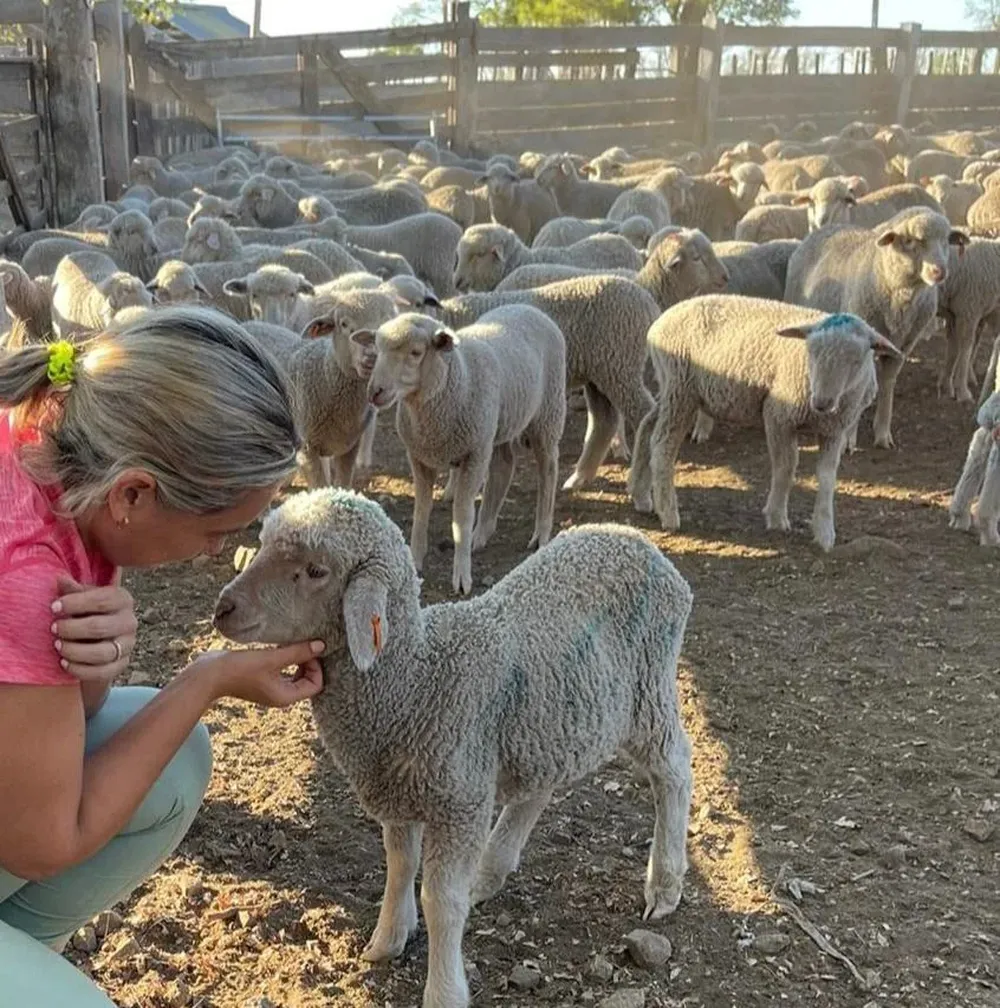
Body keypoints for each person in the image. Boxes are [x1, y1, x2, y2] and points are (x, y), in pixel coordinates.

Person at [0, 308, 326, 1007]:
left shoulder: (48, 438)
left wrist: (94, 661)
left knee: (175, 760)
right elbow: (45, 844)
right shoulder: (24, 573)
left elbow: (61, 722)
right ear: (135, 494)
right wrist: (205, 679)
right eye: (217, 533)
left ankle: (22, 960)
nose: (215, 554)